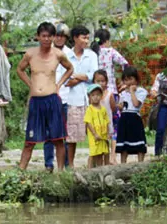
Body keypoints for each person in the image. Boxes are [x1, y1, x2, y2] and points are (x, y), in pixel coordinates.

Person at [16, 22, 74, 171]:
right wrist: (31, 85)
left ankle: (61, 173)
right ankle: (19, 173)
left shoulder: (58, 54)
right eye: (43, 36)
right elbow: (20, 70)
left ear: (54, 37)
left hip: (52, 99)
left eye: (49, 36)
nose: (46, 39)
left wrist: (59, 84)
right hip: (36, 101)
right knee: (29, 141)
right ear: (38, 37)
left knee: (58, 139)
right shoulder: (30, 54)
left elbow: (70, 68)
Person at [91, 29, 128, 163]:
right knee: (113, 125)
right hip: (111, 92)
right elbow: (125, 63)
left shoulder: (91, 53)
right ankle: (112, 156)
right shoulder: (110, 51)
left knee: (97, 124)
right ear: (106, 40)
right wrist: (124, 82)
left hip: (94, 93)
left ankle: (98, 157)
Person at [66, 26, 98, 168]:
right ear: (75, 38)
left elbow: (94, 75)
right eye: (83, 37)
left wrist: (76, 77)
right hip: (73, 99)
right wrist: (84, 77)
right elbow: (65, 79)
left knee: (95, 133)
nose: (86, 40)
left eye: (87, 37)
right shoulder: (66, 56)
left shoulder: (91, 55)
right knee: (71, 135)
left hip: (91, 99)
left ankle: (93, 164)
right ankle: (70, 165)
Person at [43, 22, 72, 172]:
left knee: (63, 134)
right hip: (48, 97)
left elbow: (72, 72)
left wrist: (60, 84)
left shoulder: (70, 53)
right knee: (48, 134)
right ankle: (48, 164)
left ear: (66, 38)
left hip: (65, 97)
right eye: (57, 36)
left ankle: (65, 164)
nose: (60, 39)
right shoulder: (46, 52)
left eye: (63, 36)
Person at [116, 66, 148, 163]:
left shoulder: (141, 91)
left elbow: (136, 104)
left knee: (139, 141)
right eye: (126, 80)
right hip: (124, 119)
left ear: (136, 80)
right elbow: (122, 108)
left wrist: (132, 92)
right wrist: (119, 106)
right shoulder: (123, 93)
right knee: (124, 143)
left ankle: (140, 163)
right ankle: (123, 165)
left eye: (130, 79)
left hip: (134, 118)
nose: (128, 82)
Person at [84, 83, 111, 168]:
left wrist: (107, 133)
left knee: (103, 152)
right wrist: (95, 134)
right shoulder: (90, 109)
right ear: (89, 97)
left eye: (98, 95)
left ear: (101, 96)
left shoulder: (103, 109)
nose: (96, 97)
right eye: (93, 95)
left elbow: (106, 121)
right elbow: (88, 122)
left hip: (102, 135)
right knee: (93, 153)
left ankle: (101, 169)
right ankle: (89, 170)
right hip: (94, 136)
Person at [93, 69, 115, 161]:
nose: (101, 83)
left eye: (103, 81)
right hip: (95, 123)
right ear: (94, 82)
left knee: (105, 144)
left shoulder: (109, 95)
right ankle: (97, 164)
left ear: (106, 82)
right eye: (98, 81)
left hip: (106, 123)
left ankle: (106, 163)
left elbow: (113, 108)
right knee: (96, 144)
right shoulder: (92, 95)